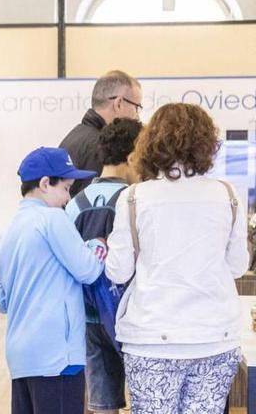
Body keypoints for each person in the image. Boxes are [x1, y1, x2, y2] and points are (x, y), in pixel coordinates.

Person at [105, 103, 248, 414]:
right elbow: (237, 266)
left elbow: (118, 272)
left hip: (151, 337)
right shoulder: (228, 195)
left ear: (151, 142)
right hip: (214, 335)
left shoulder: (133, 197)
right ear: (207, 143)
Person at [0, 147, 105, 414]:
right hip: (57, 357)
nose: (68, 198)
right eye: (66, 188)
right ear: (45, 183)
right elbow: (88, 270)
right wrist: (96, 245)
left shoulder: (7, 234)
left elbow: (2, 302)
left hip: (21, 358)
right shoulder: (53, 218)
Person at [65, 118, 143, 414]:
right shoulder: (134, 200)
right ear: (135, 153)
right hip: (129, 315)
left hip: (86, 314)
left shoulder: (75, 202)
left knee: (102, 404)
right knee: (145, 398)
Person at [60, 70, 143, 197]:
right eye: (137, 107)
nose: (137, 116)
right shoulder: (101, 146)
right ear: (119, 104)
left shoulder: (74, 136)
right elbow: (96, 207)